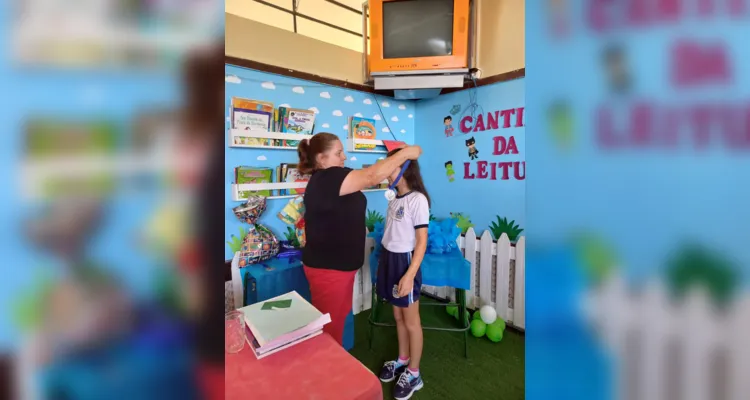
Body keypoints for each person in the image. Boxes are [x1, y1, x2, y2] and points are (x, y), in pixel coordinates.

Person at [298, 133, 422, 347]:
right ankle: (327, 373)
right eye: (338, 153)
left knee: (336, 321)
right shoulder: (327, 178)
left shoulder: (335, 179)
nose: (344, 157)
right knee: (329, 329)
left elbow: (354, 193)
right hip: (329, 271)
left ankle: (334, 366)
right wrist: (406, 153)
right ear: (321, 159)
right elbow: (372, 176)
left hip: (340, 269)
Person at [376, 147, 430, 400]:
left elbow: (421, 242)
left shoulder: (417, 199)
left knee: (411, 321)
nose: (387, 173)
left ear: (405, 168)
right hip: (389, 260)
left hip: (405, 263)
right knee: (397, 316)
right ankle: (402, 359)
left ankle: (415, 373)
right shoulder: (394, 198)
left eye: (392, 166)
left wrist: (408, 275)